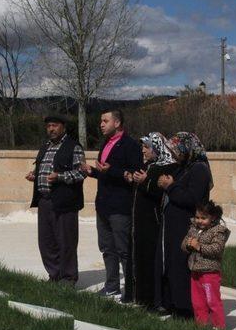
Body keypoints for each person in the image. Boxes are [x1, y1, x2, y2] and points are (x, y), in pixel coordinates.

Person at [81, 109, 141, 298]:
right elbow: (105, 173)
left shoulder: (131, 145)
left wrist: (111, 170)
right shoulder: (105, 143)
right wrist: (92, 171)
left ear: (117, 123)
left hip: (120, 207)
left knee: (124, 250)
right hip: (103, 206)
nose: (101, 124)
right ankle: (112, 286)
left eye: (105, 121)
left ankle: (132, 290)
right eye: (100, 120)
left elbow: (133, 175)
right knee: (107, 248)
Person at [155, 132, 213, 318]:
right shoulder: (184, 167)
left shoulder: (199, 169)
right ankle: (172, 304)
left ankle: (185, 309)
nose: (175, 154)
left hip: (186, 226)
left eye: (177, 150)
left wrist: (170, 187)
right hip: (174, 226)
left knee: (182, 267)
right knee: (172, 265)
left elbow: (193, 199)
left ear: (187, 148)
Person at [27, 114, 86, 286]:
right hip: (45, 201)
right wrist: (35, 175)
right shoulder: (45, 146)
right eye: (48, 126)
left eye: (54, 125)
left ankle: (68, 278)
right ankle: (54, 275)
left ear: (63, 127)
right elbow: (43, 167)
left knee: (66, 241)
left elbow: (81, 173)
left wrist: (59, 177)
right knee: (46, 242)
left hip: (64, 202)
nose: (51, 129)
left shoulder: (73, 147)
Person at [124, 132, 177, 307]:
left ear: (157, 148)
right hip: (139, 222)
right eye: (143, 147)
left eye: (147, 147)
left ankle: (149, 299)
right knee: (136, 257)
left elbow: (162, 193)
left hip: (152, 223)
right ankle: (135, 295)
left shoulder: (167, 167)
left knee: (149, 260)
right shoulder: (149, 165)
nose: (143, 150)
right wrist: (133, 179)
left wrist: (146, 181)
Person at [182, 200, 230, 329]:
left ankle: (218, 327)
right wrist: (188, 244)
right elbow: (184, 245)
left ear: (212, 217)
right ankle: (201, 325)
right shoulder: (193, 229)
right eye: (197, 217)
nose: (199, 221)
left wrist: (199, 246)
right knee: (197, 301)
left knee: (212, 300)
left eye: (203, 218)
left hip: (209, 273)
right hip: (195, 271)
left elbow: (217, 249)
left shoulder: (218, 231)